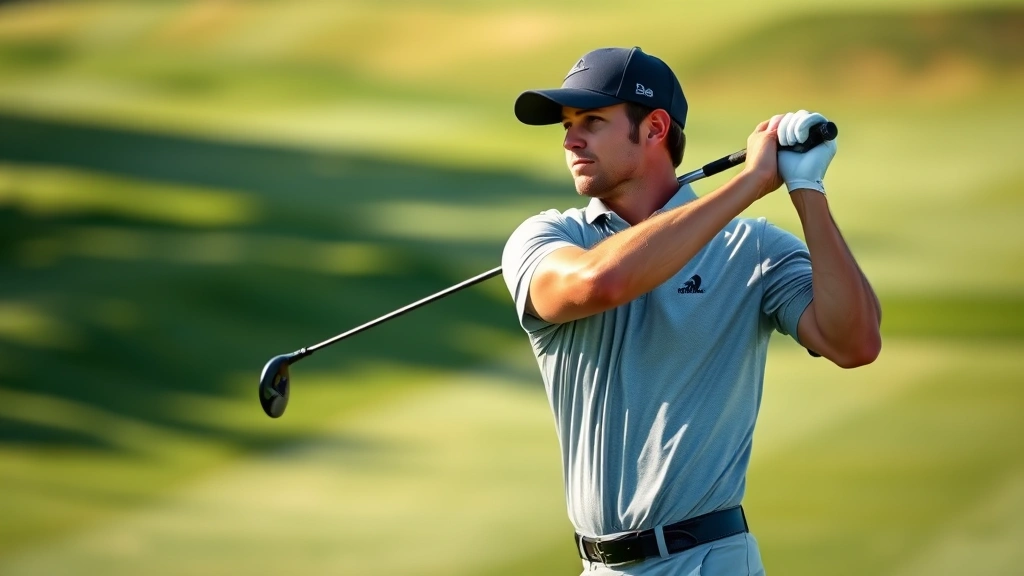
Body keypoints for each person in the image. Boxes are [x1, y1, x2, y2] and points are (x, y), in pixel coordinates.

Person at [501, 46, 882, 575]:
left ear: (655, 128)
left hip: (709, 561)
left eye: (592, 121)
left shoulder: (752, 249)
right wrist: (749, 182)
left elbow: (854, 343)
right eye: (567, 125)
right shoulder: (548, 237)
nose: (570, 140)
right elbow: (601, 282)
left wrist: (806, 189)